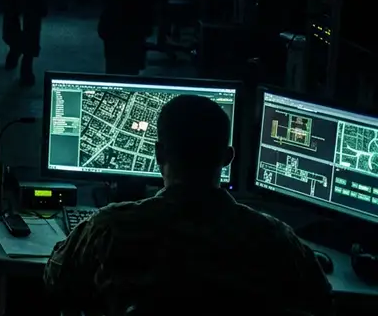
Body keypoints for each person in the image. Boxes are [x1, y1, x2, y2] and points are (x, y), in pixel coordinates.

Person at [46, 95, 332, 316]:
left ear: (159, 154)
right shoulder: (275, 238)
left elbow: (55, 279)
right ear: (228, 158)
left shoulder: (109, 228)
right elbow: (321, 299)